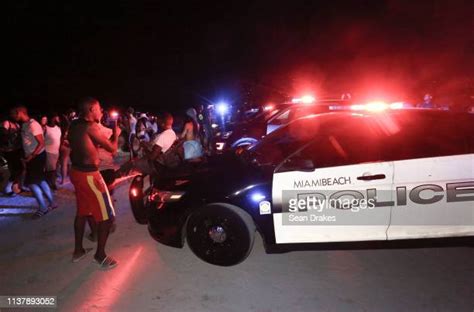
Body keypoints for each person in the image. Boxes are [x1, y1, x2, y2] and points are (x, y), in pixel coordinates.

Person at [68, 97, 121, 269]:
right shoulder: (90, 127)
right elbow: (112, 148)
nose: (101, 111)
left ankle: (78, 251)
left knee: (82, 212)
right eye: (98, 108)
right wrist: (116, 133)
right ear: (91, 109)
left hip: (76, 172)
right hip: (90, 176)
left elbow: (84, 146)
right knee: (106, 216)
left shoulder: (74, 124)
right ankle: (100, 256)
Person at [11, 106, 56, 219]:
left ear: (20, 112)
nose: (12, 116)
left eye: (14, 113)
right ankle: (52, 203)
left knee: (31, 183)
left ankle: (43, 207)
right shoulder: (25, 124)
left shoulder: (33, 124)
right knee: (40, 180)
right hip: (33, 157)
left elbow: (41, 143)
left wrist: (31, 156)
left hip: (37, 157)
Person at [115, 113, 177, 177]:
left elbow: (152, 157)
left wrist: (144, 147)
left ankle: (113, 177)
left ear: (162, 123)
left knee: (131, 163)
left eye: (158, 121)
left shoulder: (163, 136)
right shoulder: (172, 134)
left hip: (154, 166)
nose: (156, 123)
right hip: (161, 164)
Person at [0, 116, 24, 196]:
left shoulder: (17, 124)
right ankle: (8, 188)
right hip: (8, 150)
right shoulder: (6, 123)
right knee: (12, 170)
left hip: (16, 149)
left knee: (19, 168)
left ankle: (15, 187)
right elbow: (3, 135)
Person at [44, 113, 62, 190]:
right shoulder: (46, 128)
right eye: (57, 117)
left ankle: (51, 183)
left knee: (54, 169)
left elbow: (59, 139)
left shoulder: (58, 128)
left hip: (56, 152)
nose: (58, 119)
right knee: (51, 170)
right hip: (49, 151)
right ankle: (51, 184)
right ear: (53, 118)